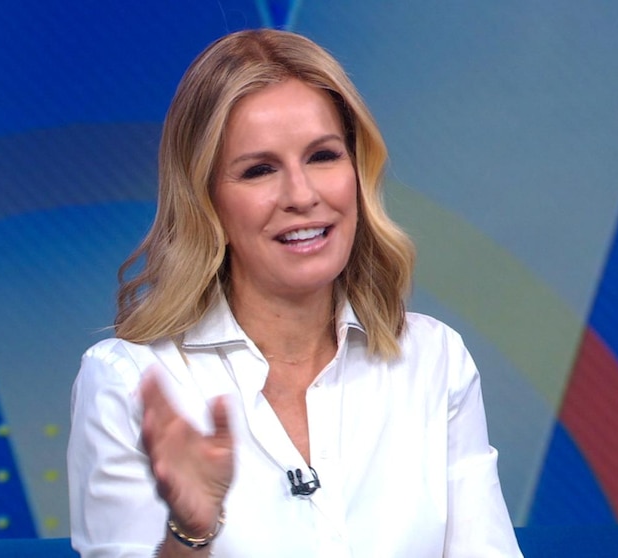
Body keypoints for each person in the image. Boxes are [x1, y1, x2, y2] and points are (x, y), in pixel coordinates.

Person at [67, 28, 523, 557]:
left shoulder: (433, 360)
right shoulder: (130, 382)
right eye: (259, 170)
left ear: (357, 171)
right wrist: (190, 531)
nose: (301, 195)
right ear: (206, 201)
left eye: (323, 156)